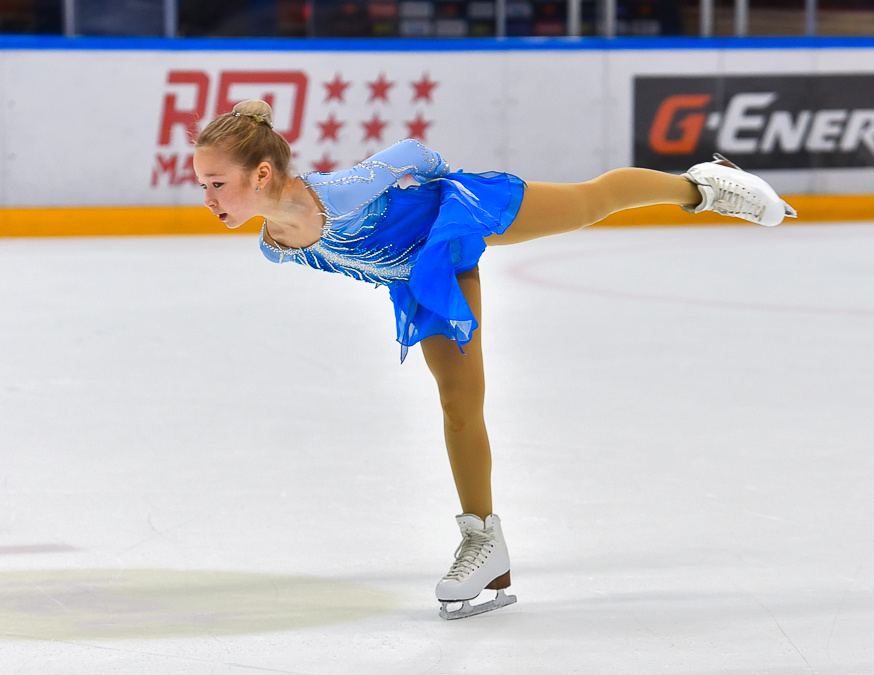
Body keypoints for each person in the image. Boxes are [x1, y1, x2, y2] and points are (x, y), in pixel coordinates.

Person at [192, 99, 796, 620]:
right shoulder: (278, 249)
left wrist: (450, 181)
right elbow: (366, 262)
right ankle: (485, 544)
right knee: (459, 404)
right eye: (202, 186)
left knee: (591, 202)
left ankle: (704, 185)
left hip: (457, 210)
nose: (208, 198)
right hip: (425, 272)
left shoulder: (337, 192)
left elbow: (409, 154)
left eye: (216, 183)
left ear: (263, 173)